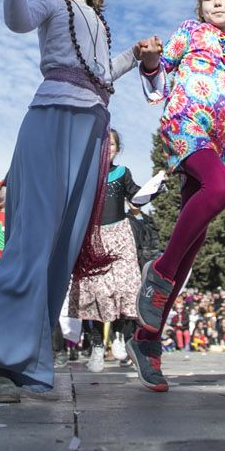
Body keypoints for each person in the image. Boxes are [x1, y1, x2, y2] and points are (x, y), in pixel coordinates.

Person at [0, 0, 162, 402]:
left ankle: (23, 358)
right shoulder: (50, 1)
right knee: (32, 241)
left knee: (62, 249)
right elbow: (17, 19)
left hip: (91, 130)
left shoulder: (95, 18)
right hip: (52, 121)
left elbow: (99, 73)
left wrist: (135, 54)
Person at [131, 0, 225, 392]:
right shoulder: (190, 32)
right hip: (185, 125)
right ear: (200, 6)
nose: (216, 3)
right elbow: (159, 69)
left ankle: (146, 341)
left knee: (192, 245)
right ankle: (159, 271)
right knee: (219, 191)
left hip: (220, 143)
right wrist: (152, 58)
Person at [72, 129, 145, 372]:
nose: (108, 147)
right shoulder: (85, 175)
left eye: (112, 144)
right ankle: (95, 345)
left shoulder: (123, 172)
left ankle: (119, 336)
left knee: (125, 287)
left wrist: (155, 187)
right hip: (93, 237)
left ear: (117, 148)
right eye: (104, 144)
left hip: (120, 235)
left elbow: (136, 196)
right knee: (93, 291)